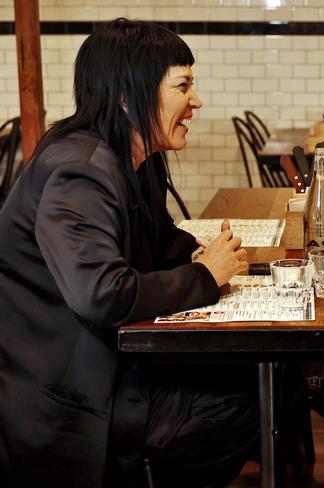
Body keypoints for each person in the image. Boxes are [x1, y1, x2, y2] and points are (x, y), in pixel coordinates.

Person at [0, 19, 259, 488]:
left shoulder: (134, 157)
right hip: (63, 393)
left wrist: (202, 251)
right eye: (183, 86)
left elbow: (156, 236)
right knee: (238, 402)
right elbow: (100, 294)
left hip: (106, 361)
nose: (196, 102)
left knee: (257, 372)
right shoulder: (79, 171)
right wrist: (204, 276)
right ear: (126, 97)